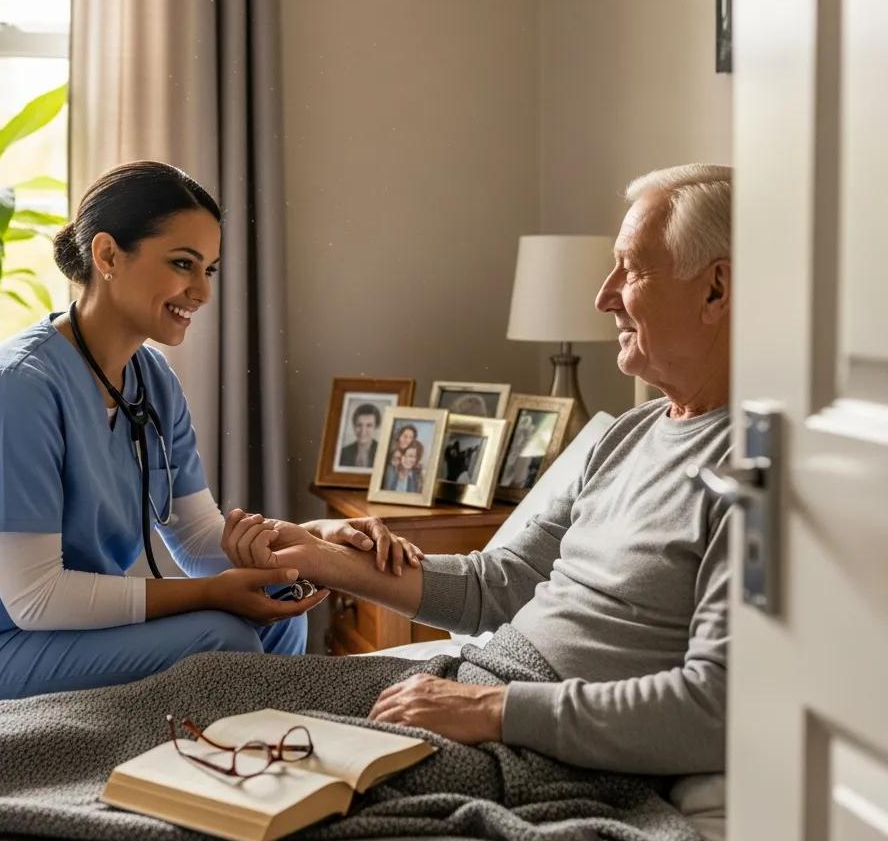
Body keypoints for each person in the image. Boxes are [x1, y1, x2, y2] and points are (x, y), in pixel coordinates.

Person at [231, 163, 734, 778]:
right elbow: (499, 583)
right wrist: (317, 556)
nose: (604, 295)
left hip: (525, 737)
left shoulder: (748, 473)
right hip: (476, 685)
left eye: (631, 268)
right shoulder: (622, 435)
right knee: (206, 686)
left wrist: (493, 708)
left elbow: (713, 710)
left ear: (716, 290)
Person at [0, 161, 421, 703]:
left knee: (278, 607)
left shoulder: (152, 378)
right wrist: (212, 594)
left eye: (208, 270)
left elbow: (195, 538)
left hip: (53, 631)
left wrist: (308, 541)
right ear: (108, 255)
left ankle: (261, 756)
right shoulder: (15, 389)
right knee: (223, 637)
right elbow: (34, 597)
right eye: (183, 264)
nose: (202, 293)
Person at [337, 402, 381, 468]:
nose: (363, 431)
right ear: (353, 426)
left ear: (376, 427)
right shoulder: (343, 453)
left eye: (369, 425)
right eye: (359, 425)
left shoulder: (383, 452)